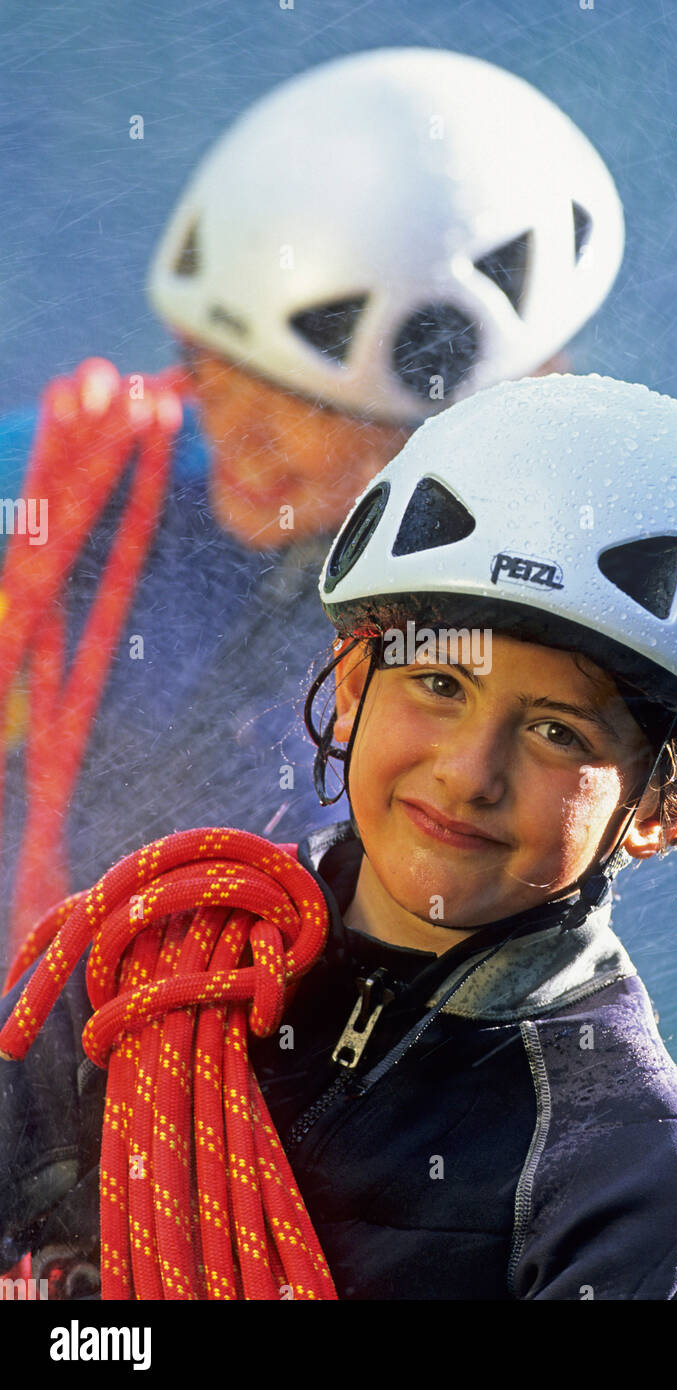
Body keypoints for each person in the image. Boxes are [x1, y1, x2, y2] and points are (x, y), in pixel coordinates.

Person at [0, 373, 677, 1300]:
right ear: (350, 680)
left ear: (664, 808)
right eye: (440, 686)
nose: (469, 772)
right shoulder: (144, 966)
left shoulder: (634, 1178)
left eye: (558, 733)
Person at [0, 47, 624, 953]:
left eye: (303, 401)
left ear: (459, 415)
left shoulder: (527, 655)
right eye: (210, 361)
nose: (232, 423)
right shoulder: (61, 489)